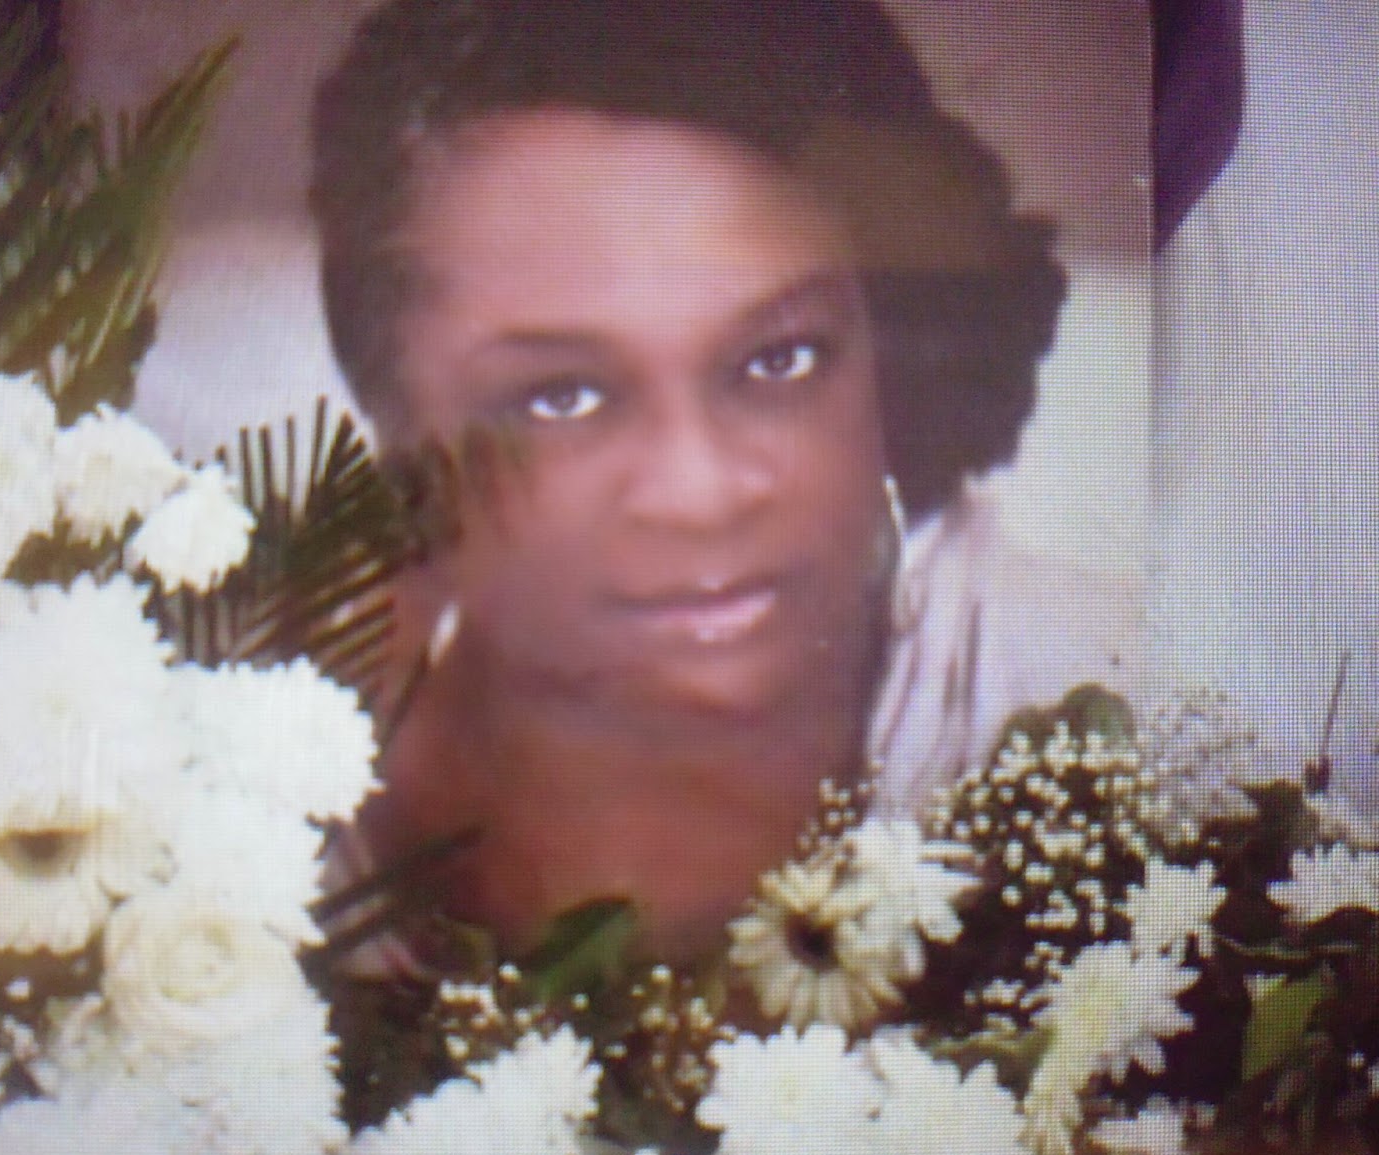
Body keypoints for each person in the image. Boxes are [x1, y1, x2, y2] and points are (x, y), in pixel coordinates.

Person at [309, 0, 1141, 970]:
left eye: (779, 360)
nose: (698, 495)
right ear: (396, 418)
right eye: (561, 396)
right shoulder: (233, 802)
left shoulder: (1111, 683)